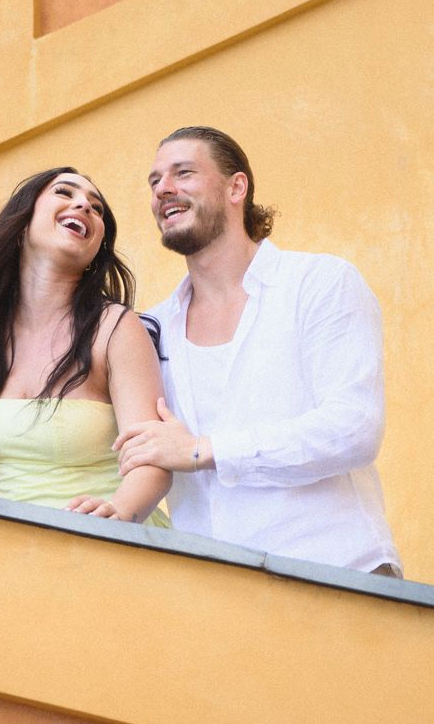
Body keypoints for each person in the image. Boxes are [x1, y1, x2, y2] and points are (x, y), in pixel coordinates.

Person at [115, 126, 401, 574]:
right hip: (218, 596)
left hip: (340, 573)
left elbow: (354, 428)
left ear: (237, 187)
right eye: (154, 182)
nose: (163, 189)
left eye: (183, 173)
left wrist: (203, 450)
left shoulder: (319, 283)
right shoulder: (150, 329)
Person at [0, 165, 171, 526]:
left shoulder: (114, 328)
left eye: (97, 207)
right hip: (10, 551)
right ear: (21, 221)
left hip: (108, 544)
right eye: (65, 192)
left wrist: (118, 513)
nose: (84, 206)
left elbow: (152, 458)